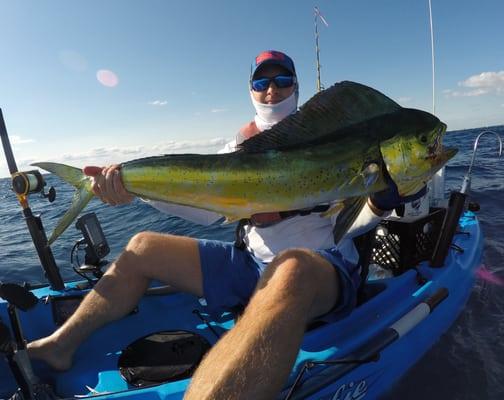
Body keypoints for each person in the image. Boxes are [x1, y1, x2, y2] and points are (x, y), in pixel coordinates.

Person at [28, 50, 419, 399]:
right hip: (251, 266)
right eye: (262, 81)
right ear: (250, 89)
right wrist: (134, 190)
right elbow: (210, 211)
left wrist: (380, 201)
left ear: (297, 87)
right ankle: (59, 346)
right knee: (142, 246)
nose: (272, 90)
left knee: (292, 268)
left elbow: (358, 223)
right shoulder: (237, 150)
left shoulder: (335, 136)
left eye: (282, 80)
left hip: (320, 269)